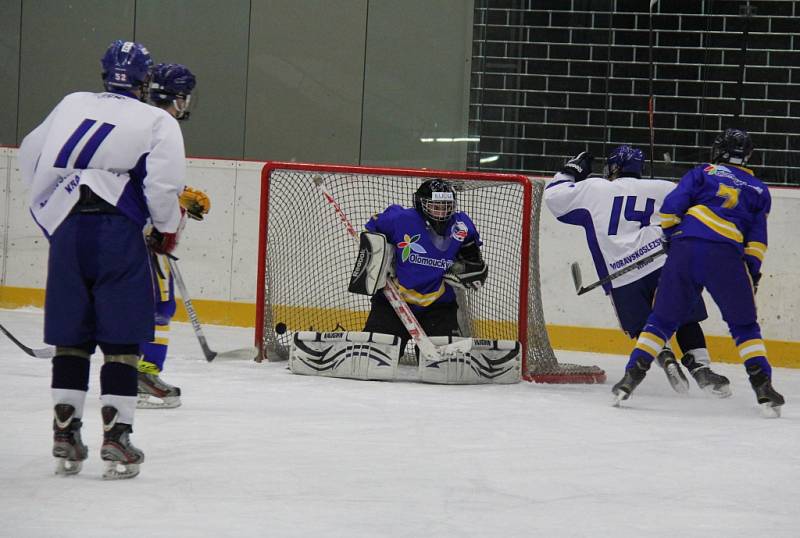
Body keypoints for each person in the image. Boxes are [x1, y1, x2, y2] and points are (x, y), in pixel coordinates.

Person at [18, 40, 187, 479]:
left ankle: (64, 434)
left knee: (71, 338)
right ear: (144, 80)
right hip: (119, 233)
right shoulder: (156, 120)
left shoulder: (70, 103)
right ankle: (118, 438)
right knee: (121, 340)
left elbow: (30, 153)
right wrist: (165, 230)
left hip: (68, 231)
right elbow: (164, 187)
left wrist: (50, 214)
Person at [611, 129, 784, 417]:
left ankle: (630, 379)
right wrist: (750, 273)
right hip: (727, 255)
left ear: (717, 151)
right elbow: (756, 242)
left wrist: (671, 239)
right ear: (749, 155)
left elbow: (669, 210)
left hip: (686, 248)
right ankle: (763, 386)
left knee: (661, 321)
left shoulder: (702, 171)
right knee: (744, 327)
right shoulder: (758, 189)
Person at [544, 144, 730, 396]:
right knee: (685, 317)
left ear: (615, 167)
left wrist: (571, 170)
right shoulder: (663, 187)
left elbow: (554, 197)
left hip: (622, 275)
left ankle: (664, 356)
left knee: (645, 326)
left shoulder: (594, 187)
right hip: (663, 263)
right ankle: (701, 368)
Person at [136, 63, 210, 409]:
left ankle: (132, 371)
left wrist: (180, 196)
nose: (186, 104)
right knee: (158, 305)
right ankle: (142, 374)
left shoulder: (136, 120)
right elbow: (154, 184)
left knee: (142, 304)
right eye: (183, 97)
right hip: (144, 233)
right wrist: (166, 221)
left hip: (126, 227)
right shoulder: (161, 125)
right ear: (175, 97)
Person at [361, 179, 488, 353]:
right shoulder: (400, 219)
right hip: (393, 302)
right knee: (375, 358)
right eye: (436, 206)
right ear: (421, 203)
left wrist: (472, 271)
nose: (442, 212)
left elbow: (474, 263)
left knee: (444, 367)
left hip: (439, 306)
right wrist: (383, 258)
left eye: (446, 206)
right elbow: (371, 230)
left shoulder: (461, 226)